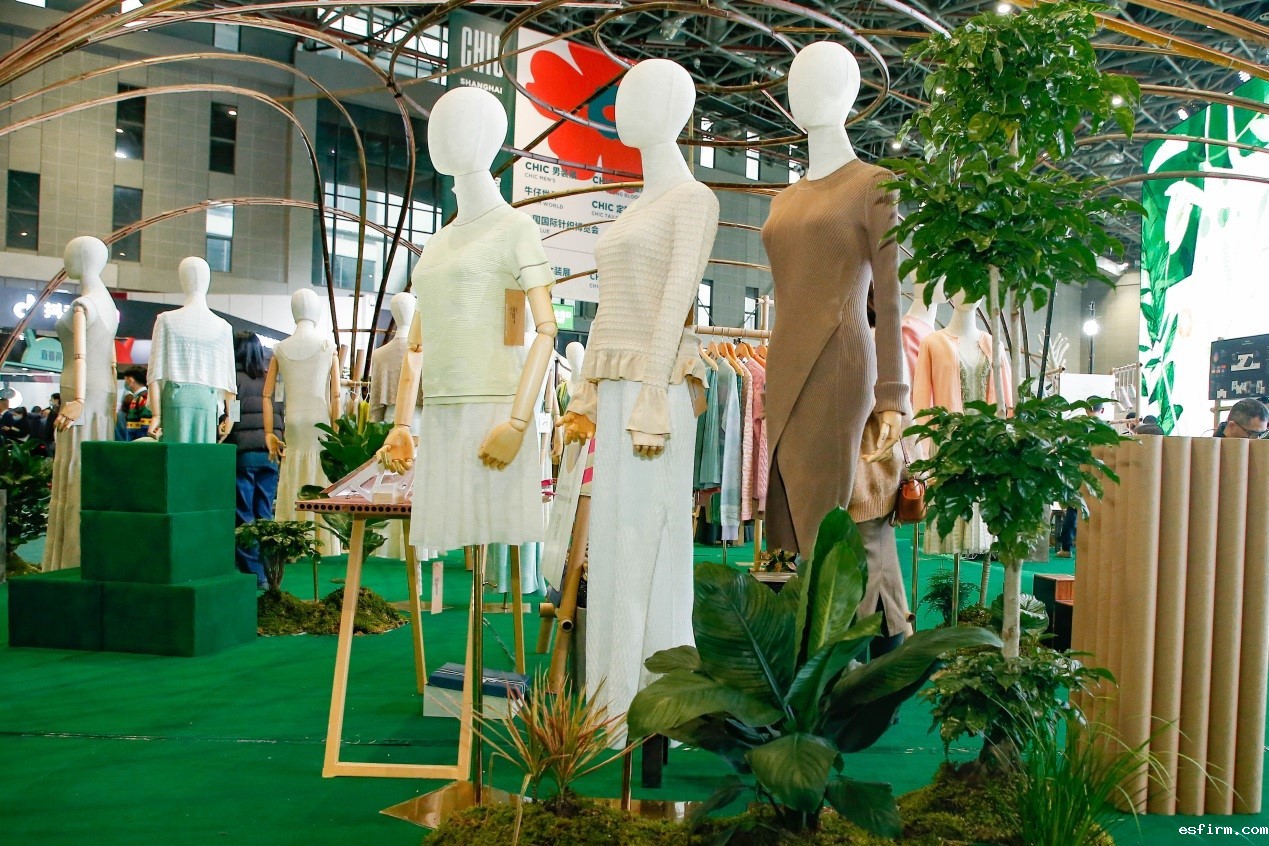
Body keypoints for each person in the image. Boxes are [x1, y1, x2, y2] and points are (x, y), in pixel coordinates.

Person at [224, 332, 281, 589]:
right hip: (270, 455)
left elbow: (231, 418)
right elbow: (279, 415)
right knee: (265, 513)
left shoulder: (233, 380)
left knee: (244, 514)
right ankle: (269, 571)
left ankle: (256, 573)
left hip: (244, 455)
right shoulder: (271, 379)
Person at [116, 367, 152, 441]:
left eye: (125, 379)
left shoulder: (143, 399)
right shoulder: (139, 398)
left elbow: (145, 428)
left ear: (130, 380)